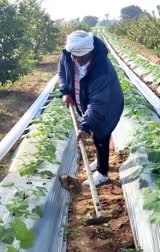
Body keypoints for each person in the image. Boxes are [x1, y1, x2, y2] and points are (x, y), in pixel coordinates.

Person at [58, 30, 124, 186]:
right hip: (86, 100)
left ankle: (102, 173)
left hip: (108, 104)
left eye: (83, 56)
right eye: (76, 56)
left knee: (101, 134)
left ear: (91, 52)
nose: (79, 60)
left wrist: (86, 125)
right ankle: (100, 161)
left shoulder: (102, 69)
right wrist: (66, 91)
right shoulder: (68, 55)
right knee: (97, 135)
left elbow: (98, 103)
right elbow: (62, 72)